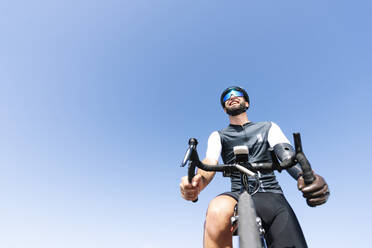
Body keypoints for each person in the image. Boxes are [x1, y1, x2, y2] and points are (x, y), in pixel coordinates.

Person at [179, 86, 330, 248]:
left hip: (272, 195)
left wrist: (306, 176)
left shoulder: (268, 127)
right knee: (216, 209)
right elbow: (210, 160)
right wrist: (198, 183)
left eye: (237, 94)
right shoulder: (218, 135)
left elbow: (286, 154)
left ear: (247, 103)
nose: (232, 97)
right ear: (224, 109)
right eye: (226, 98)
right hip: (237, 194)